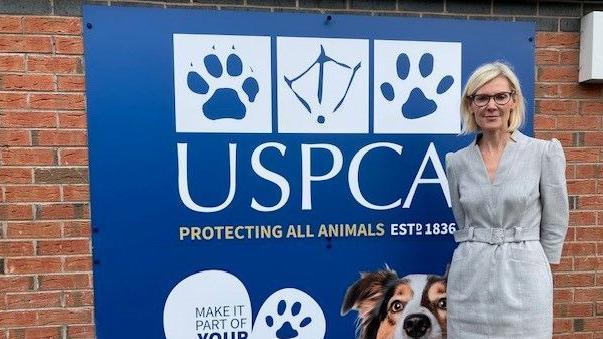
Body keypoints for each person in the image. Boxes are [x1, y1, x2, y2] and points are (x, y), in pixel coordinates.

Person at [445, 61, 569, 338]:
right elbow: (462, 220)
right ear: (471, 104)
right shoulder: (457, 162)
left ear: (514, 100)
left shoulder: (542, 153)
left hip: (525, 280)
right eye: (482, 97)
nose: (491, 105)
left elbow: (556, 221)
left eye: (500, 96)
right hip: (469, 278)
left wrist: (538, 267)